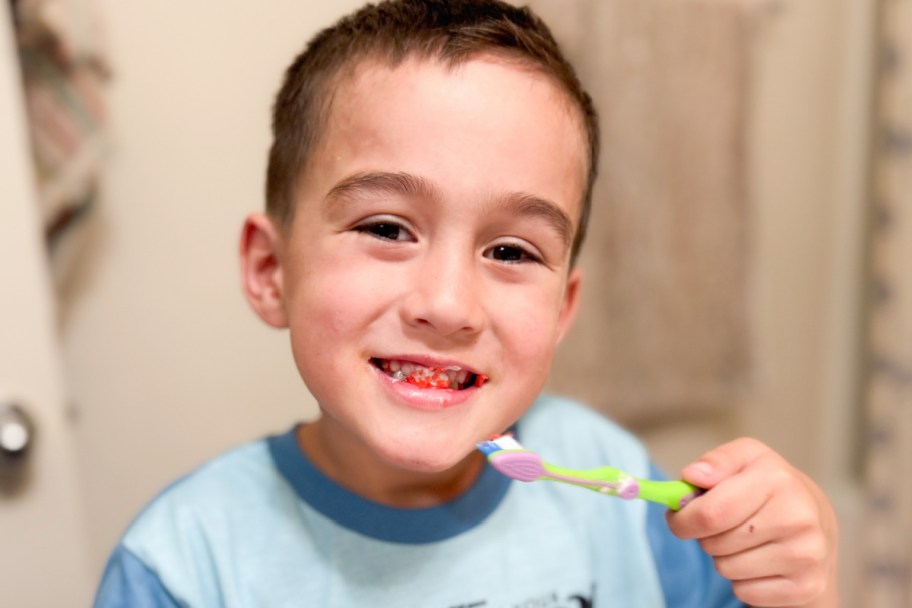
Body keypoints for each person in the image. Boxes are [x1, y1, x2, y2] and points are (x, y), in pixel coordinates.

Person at [94, 1, 839, 606]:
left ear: (561, 311)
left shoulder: (608, 478)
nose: (449, 305)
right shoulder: (183, 566)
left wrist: (803, 592)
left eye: (512, 252)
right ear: (270, 270)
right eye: (386, 228)